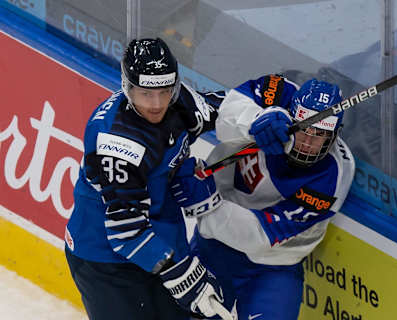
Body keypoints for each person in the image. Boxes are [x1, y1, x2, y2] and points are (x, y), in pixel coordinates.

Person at [64, 38, 229, 320]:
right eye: (145, 94)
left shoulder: (177, 101)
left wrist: (266, 115)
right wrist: (182, 274)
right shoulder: (117, 143)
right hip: (106, 262)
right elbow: (126, 232)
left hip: (159, 237)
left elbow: (221, 109)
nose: (156, 104)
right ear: (127, 88)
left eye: (165, 92)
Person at [169, 74, 355, 319]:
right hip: (212, 249)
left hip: (273, 268)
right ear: (292, 113)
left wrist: (207, 204)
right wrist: (256, 119)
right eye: (305, 130)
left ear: (334, 135)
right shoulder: (277, 90)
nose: (308, 143)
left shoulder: (334, 175)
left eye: (319, 135)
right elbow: (226, 112)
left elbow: (258, 235)